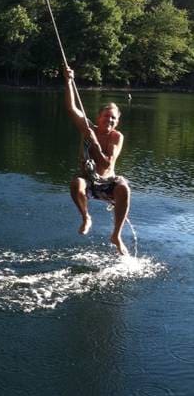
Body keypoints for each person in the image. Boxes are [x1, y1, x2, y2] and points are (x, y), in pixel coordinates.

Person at [64, 66, 131, 255]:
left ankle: (116, 235)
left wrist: (94, 143)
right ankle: (86, 217)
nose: (110, 121)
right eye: (106, 117)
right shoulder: (87, 128)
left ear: (117, 122)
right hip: (88, 180)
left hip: (107, 182)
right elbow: (71, 108)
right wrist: (68, 81)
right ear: (98, 117)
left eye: (113, 119)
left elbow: (106, 164)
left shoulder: (116, 137)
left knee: (124, 187)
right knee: (76, 183)